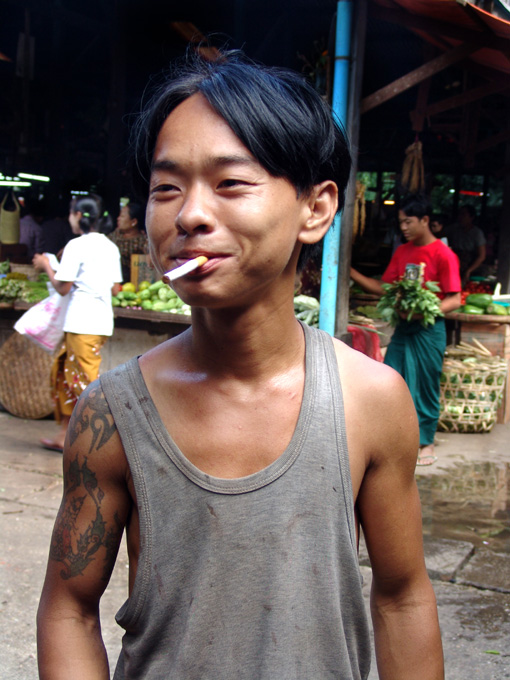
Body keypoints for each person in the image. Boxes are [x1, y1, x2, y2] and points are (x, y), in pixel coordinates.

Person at [37, 52, 444, 679]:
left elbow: (402, 596)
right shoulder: (111, 414)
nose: (190, 215)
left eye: (231, 183)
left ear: (316, 208)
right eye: (166, 188)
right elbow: (69, 607)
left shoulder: (370, 399)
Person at [351, 195, 461, 466]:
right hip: (403, 328)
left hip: (428, 328)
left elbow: (455, 298)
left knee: (425, 384)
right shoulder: (402, 252)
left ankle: (426, 443)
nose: (403, 227)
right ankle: (389, 438)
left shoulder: (444, 254)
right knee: (391, 378)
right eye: (400, 222)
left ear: (425, 220)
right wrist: (350, 272)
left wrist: (426, 310)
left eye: (408, 221)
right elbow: (385, 287)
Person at [32, 194, 122, 452]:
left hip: (84, 321)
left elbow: (62, 287)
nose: (69, 218)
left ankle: (90, 442)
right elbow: (116, 288)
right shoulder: (110, 247)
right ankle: (64, 434)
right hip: (98, 322)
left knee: (81, 380)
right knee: (65, 374)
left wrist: (46, 265)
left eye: (71, 213)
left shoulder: (77, 246)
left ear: (79, 216)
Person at [107, 198, 148, 282]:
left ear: (133, 222)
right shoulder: (115, 235)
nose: (118, 219)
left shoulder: (143, 242)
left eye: (122, 216)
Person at [448, 204, 486, 287]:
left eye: (463, 214)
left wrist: (469, 270)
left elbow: (481, 256)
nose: (460, 217)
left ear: (471, 217)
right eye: (460, 214)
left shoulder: (477, 233)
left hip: (469, 264)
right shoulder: (453, 229)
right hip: (454, 261)